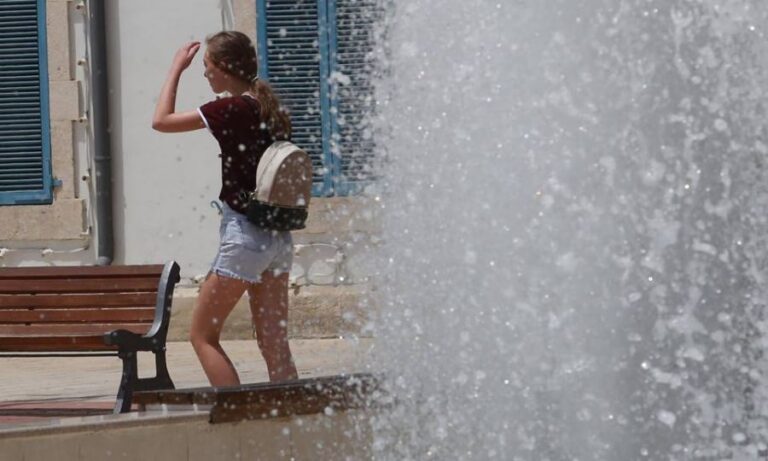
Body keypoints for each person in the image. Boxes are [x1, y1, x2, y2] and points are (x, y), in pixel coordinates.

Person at [152, 31, 298, 386]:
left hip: (245, 237)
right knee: (273, 341)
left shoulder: (229, 108)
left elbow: (161, 121)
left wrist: (175, 68)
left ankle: (238, 424)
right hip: (278, 237)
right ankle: (291, 420)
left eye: (206, 67)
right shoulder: (270, 107)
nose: (205, 74)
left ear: (223, 67)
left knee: (202, 337)